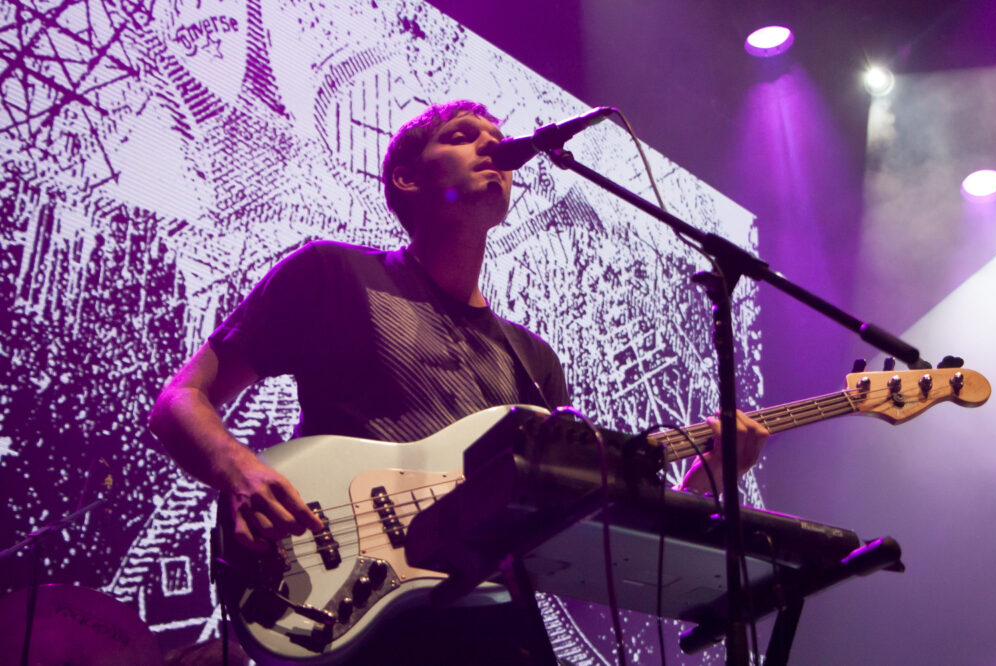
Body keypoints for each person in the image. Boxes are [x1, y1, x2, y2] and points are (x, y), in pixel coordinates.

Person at [149, 100, 769, 665]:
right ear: (406, 179)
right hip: (362, 616)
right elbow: (181, 399)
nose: (492, 145)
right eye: (463, 135)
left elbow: (575, 535)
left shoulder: (534, 359)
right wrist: (239, 471)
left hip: (502, 635)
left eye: (496, 136)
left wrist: (707, 480)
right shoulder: (331, 274)